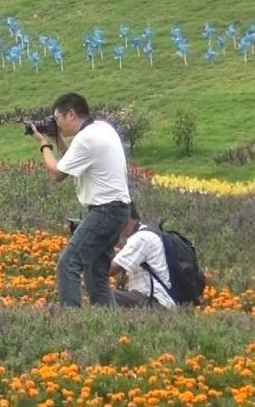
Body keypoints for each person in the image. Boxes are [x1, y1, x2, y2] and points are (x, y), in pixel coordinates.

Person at [30, 92, 130, 307]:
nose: (57, 124)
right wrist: (58, 138)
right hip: (119, 210)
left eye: (57, 119)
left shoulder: (86, 138)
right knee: (96, 275)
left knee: (68, 264)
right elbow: (73, 161)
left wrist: (43, 144)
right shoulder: (102, 128)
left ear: (71, 114)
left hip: (105, 210)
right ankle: (106, 322)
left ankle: (71, 320)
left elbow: (58, 173)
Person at [109, 202, 175, 309]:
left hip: (155, 300)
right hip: (161, 299)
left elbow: (110, 270)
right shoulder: (148, 232)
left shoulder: (141, 238)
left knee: (104, 297)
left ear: (125, 217)